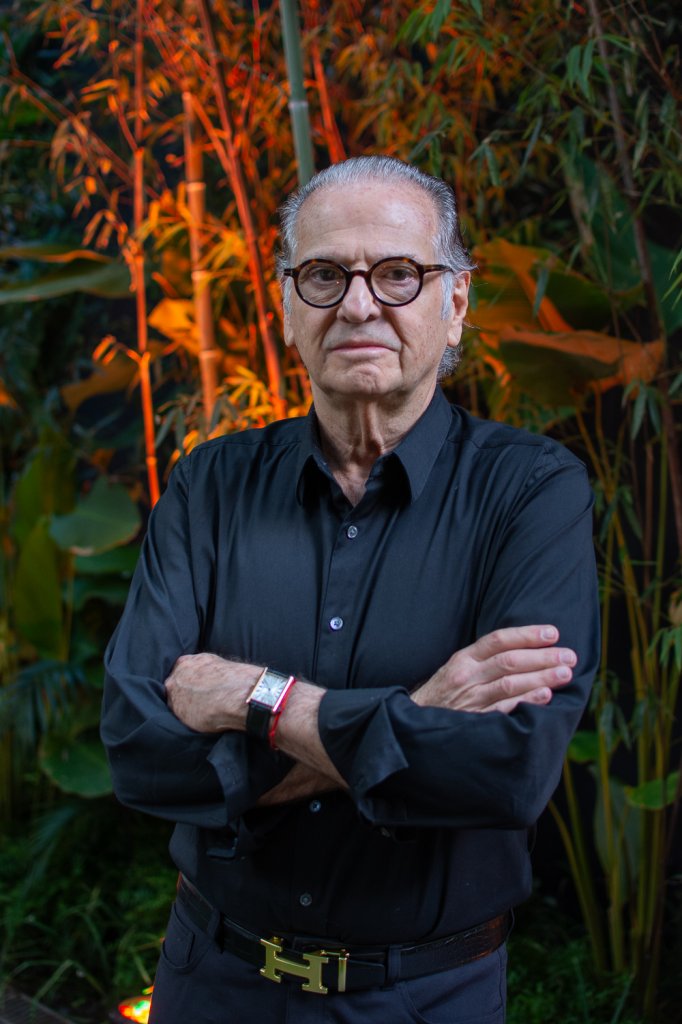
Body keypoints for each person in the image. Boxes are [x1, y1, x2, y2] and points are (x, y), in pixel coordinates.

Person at [101, 155, 600, 1024]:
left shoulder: (532, 492)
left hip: (425, 998)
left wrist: (257, 700)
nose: (359, 305)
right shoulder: (209, 486)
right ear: (287, 305)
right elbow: (139, 752)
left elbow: (507, 772)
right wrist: (413, 718)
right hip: (213, 982)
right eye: (325, 275)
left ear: (455, 303)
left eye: (399, 273)